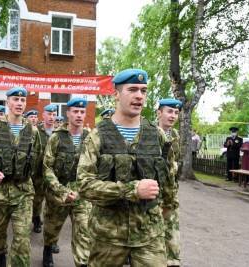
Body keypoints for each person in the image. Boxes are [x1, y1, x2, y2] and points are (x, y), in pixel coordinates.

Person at [77, 69, 171, 267]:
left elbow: (169, 183)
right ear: (117, 94)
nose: (139, 95)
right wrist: (132, 190)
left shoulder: (157, 136)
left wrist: (166, 217)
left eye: (143, 91)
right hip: (108, 235)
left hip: (149, 234)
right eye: (132, 89)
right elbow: (84, 185)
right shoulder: (97, 136)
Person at [0, 87, 41, 267]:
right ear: (7, 102)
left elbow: (39, 159)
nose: (19, 103)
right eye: (15, 99)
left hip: (24, 192)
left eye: (22, 100)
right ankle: (0, 260)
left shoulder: (33, 132)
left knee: (22, 238)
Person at [42, 97, 91, 267]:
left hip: (82, 194)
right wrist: (62, 191)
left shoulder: (90, 138)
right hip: (59, 193)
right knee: (51, 227)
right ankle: (47, 250)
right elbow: (47, 168)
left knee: (84, 230)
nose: (79, 115)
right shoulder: (56, 138)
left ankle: (82, 262)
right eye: (75, 111)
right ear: (68, 113)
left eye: (82, 112)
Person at [157, 98, 183, 267]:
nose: (173, 116)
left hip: (170, 197)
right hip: (153, 197)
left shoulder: (175, 136)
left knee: (173, 239)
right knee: (152, 240)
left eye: (176, 113)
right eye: (169, 111)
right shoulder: (148, 133)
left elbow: (175, 163)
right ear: (159, 113)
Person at [32, 104, 57, 234]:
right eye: (49, 114)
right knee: (37, 200)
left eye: (54, 114)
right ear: (44, 115)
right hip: (38, 173)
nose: (52, 117)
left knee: (53, 202)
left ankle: (51, 230)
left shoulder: (59, 132)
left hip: (54, 174)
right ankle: (36, 218)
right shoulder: (36, 131)